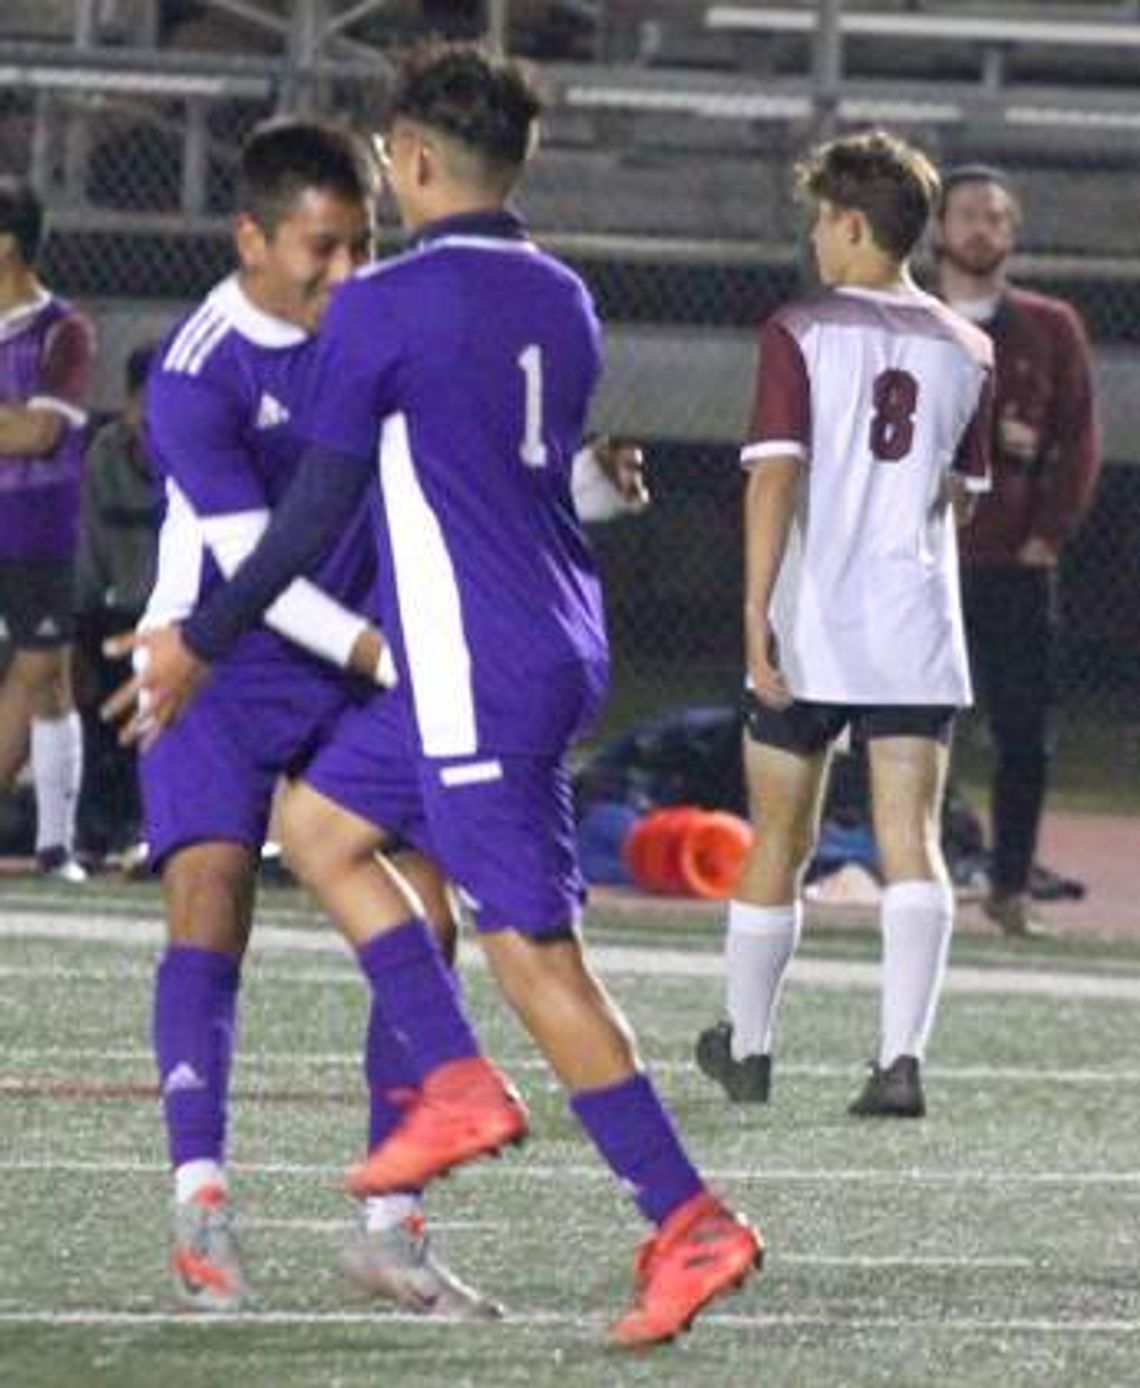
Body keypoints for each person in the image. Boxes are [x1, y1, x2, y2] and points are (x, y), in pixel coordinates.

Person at [115, 42, 761, 1347]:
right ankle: (451, 1079)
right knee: (319, 830)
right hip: (541, 636)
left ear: (409, 164)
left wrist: (200, 637)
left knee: (531, 953)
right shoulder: (566, 297)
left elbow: (314, 514)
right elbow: (492, 479)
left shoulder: (382, 310)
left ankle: (686, 1218)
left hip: (465, 662)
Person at [115, 119, 498, 1318]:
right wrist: (390, 650)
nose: (348, 271)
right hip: (221, 662)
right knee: (209, 900)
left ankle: (392, 1226)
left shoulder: (383, 330)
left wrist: (584, 480)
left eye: (363, 243)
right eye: (322, 249)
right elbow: (252, 573)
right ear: (253, 238)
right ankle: (201, 1206)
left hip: (357, 672)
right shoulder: (196, 370)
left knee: (428, 922)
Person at [695, 129, 993, 1119]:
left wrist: (752, 612)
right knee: (912, 834)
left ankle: (750, 1046)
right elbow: (964, 495)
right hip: (913, 621)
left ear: (854, 223)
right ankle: (900, 1058)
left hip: (810, 616)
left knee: (779, 828)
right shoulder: (971, 345)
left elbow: (774, 472)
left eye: (824, 218)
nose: (817, 236)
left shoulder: (799, 329)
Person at [933, 165, 1101, 939]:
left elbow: (1078, 440)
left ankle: (1008, 887)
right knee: (907, 726)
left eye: (995, 217)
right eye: (966, 213)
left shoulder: (1049, 326)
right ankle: (913, 878)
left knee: (1022, 732)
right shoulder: (912, 318)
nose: (980, 229)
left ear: (1013, 232)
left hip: (1012, 562)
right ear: (937, 228)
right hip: (921, 561)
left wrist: (1046, 535)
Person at [0, 177, 94, 882]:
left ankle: (56, 849)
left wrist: (19, 424)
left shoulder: (64, 329)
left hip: (33, 527)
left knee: (45, 678)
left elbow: (38, 433)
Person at [74, 342, 159, 859]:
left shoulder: (203, 447)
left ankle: (149, 820)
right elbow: (87, 551)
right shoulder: (104, 457)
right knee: (97, 665)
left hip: (185, 624)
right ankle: (102, 823)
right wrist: (76, 634)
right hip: (117, 617)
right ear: (130, 404)